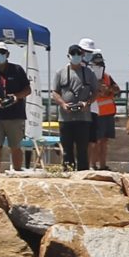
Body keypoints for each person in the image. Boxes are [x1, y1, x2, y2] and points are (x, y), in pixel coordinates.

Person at [0, 41, 31, 175]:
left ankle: (17, 173)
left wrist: (16, 97)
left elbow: (28, 89)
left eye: (3, 52)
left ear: (8, 54)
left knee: (15, 147)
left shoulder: (17, 70)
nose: (0, 55)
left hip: (15, 115)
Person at [52, 42, 99, 171]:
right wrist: (63, 104)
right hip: (65, 118)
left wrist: (87, 103)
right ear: (68, 55)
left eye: (78, 53)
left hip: (83, 118)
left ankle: (82, 174)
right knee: (67, 149)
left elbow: (96, 91)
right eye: (73, 54)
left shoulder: (89, 73)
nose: (76, 56)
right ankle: (68, 173)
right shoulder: (60, 72)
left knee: (82, 149)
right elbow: (54, 92)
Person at [88, 51, 121, 170]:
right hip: (97, 113)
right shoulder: (90, 78)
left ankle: (103, 165)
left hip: (108, 113)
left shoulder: (107, 77)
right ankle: (93, 164)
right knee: (94, 141)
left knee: (104, 141)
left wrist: (109, 89)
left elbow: (117, 90)